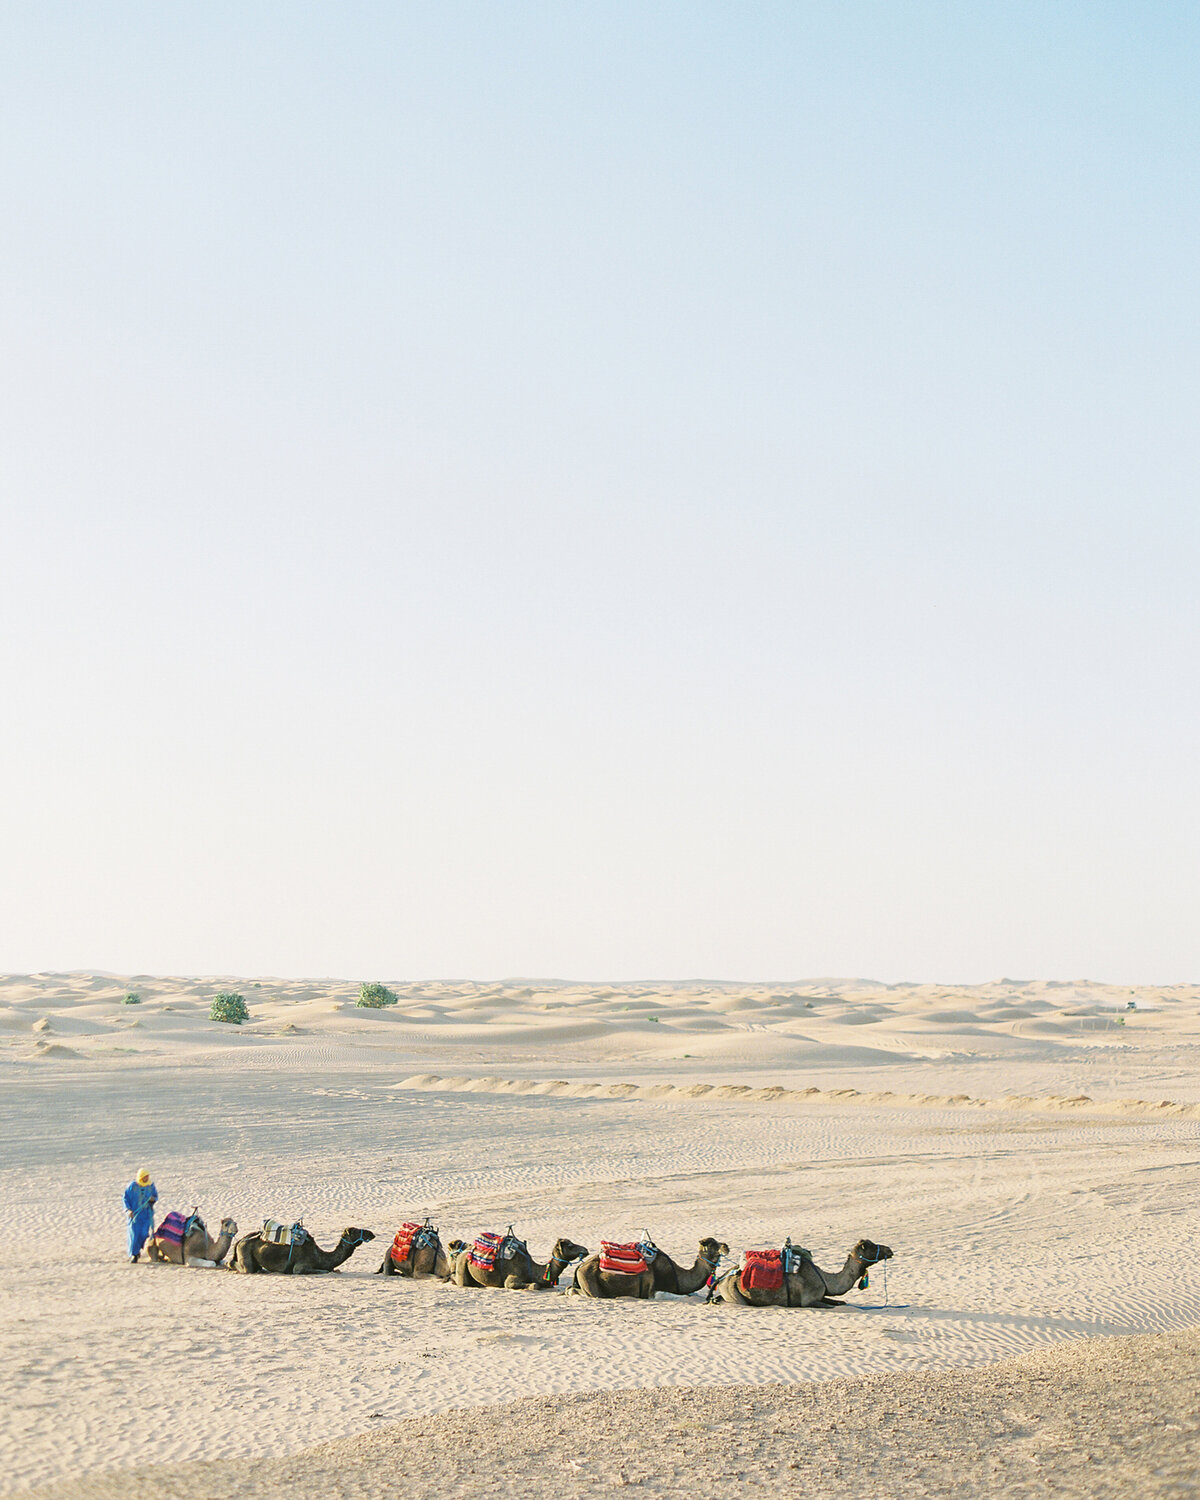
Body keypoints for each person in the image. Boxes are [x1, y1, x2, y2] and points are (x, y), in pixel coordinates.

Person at [123, 1168, 157, 1262]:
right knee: (134, 1235)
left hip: (146, 1215)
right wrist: (128, 1210)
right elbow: (125, 1199)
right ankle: (134, 1254)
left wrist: (152, 1199)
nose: (146, 1178)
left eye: (147, 1176)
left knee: (144, 1234)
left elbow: (155, 1196)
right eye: (145, 1177)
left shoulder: (150, 1186)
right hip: (135, 1216)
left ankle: (137, 1250)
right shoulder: (132, 1186)